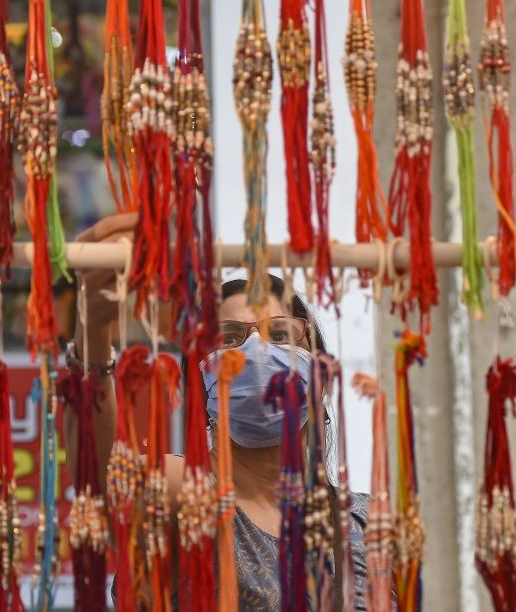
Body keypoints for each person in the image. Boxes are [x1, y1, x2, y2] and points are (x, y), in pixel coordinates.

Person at [65, 213, 377, 610]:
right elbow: (103, 484)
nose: (255, 353)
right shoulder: (186, 496)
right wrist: (92, 328)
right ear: (201, 386)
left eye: (278, 335)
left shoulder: (366, 523)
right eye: (228, 339)